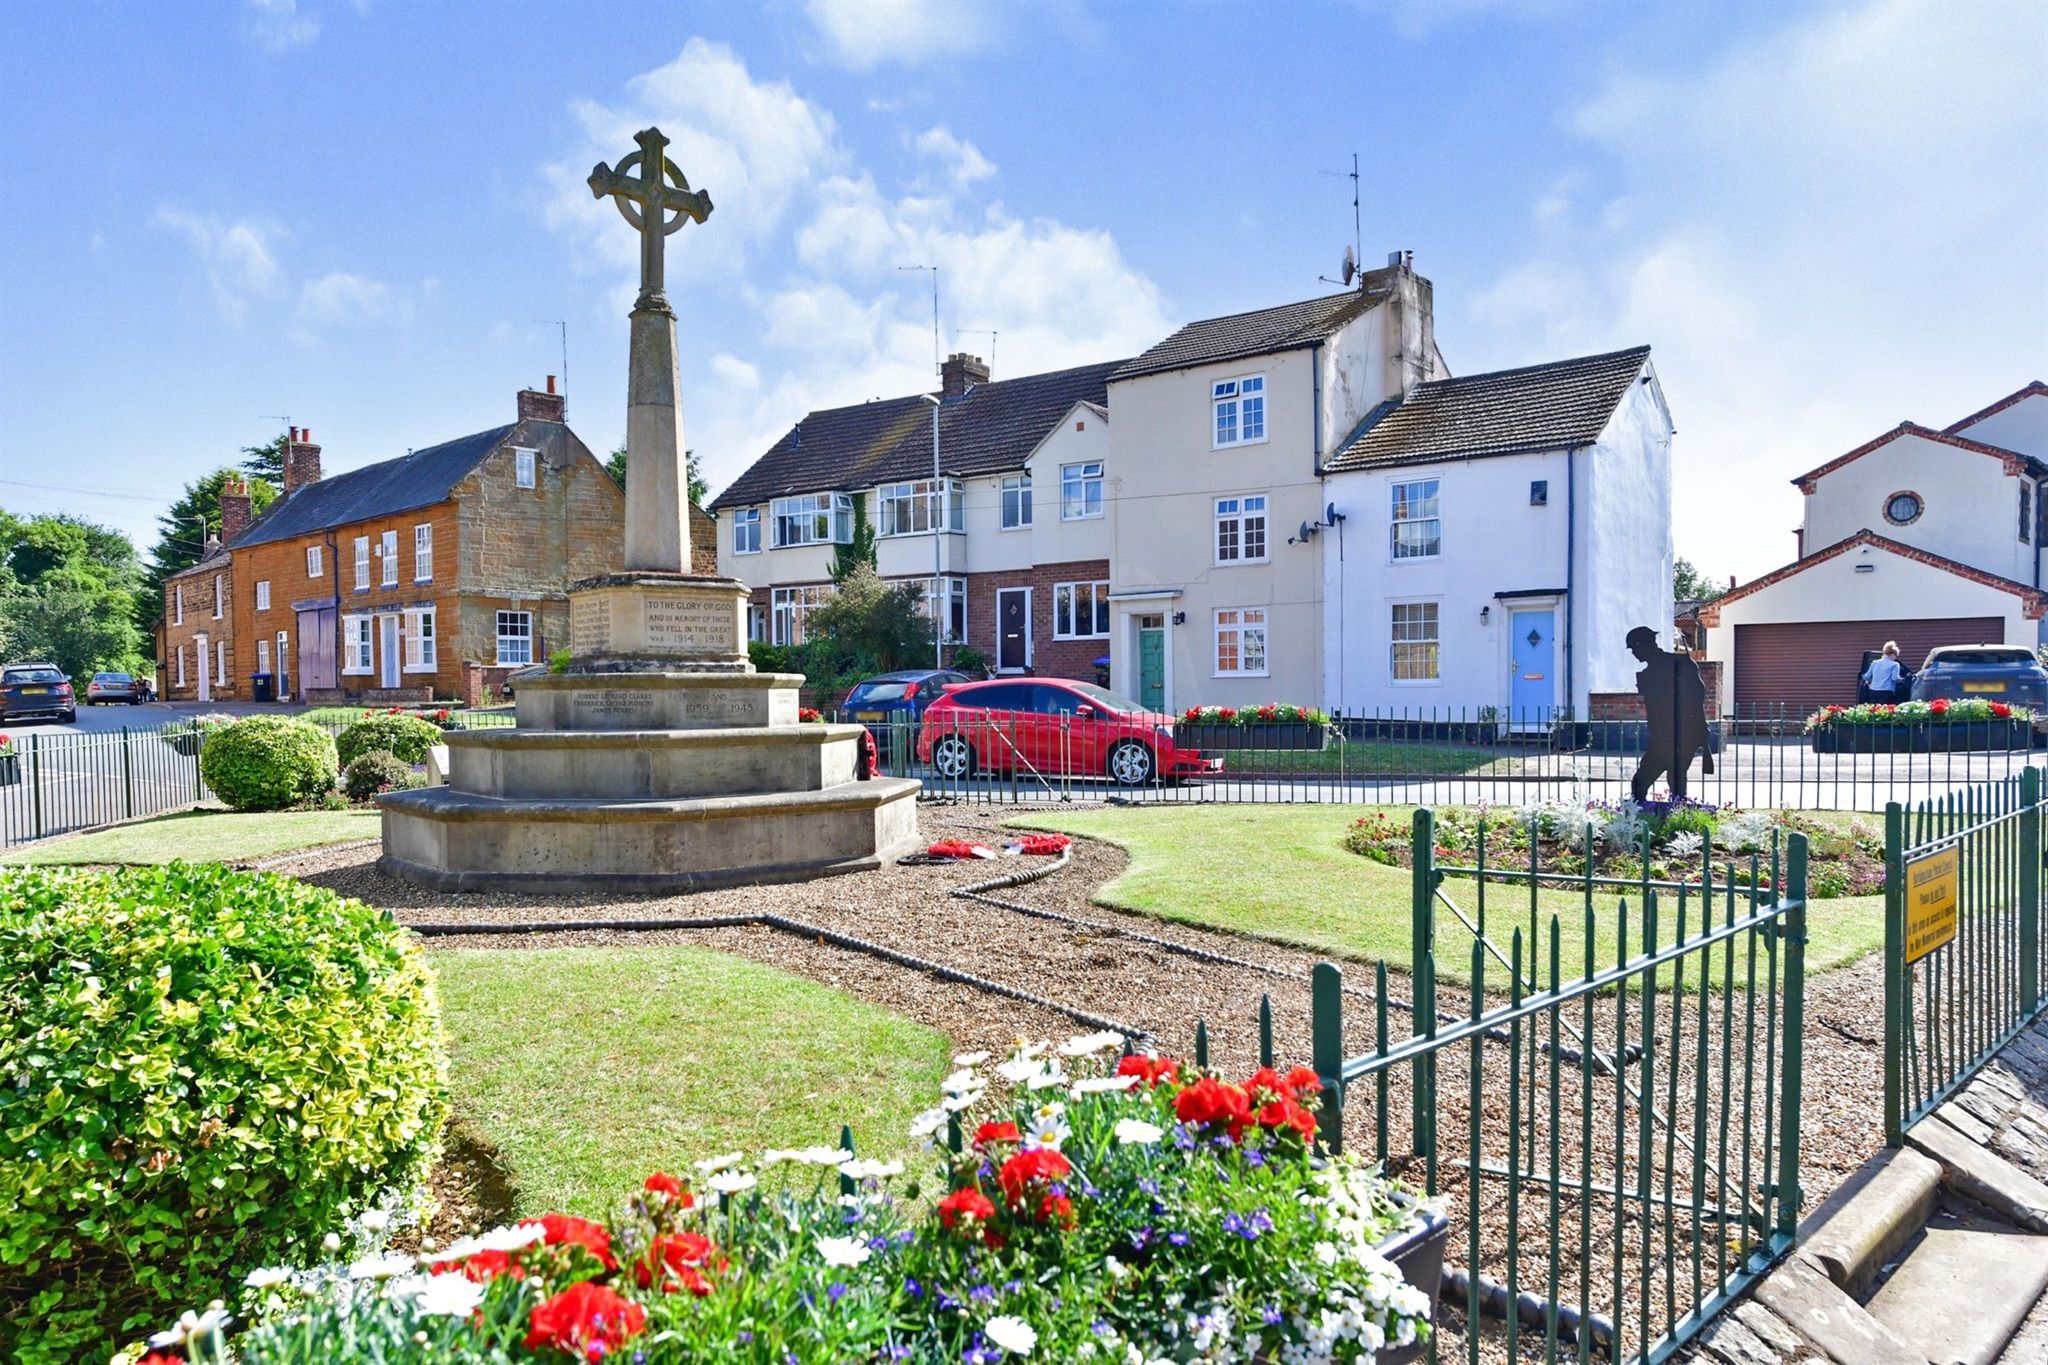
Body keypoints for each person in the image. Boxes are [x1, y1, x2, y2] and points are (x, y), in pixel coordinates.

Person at [1627, 625, 1714, 803]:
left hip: (1678, 735)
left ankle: (1654, 818)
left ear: (1644, 645)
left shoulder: (1679, 663)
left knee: (1649, 781)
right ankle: (1662, 817)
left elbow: (1696, 696)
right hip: (1664, 735)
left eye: (1635, 648)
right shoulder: (1651, 672)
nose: (1634, 653)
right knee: (1669, 780)